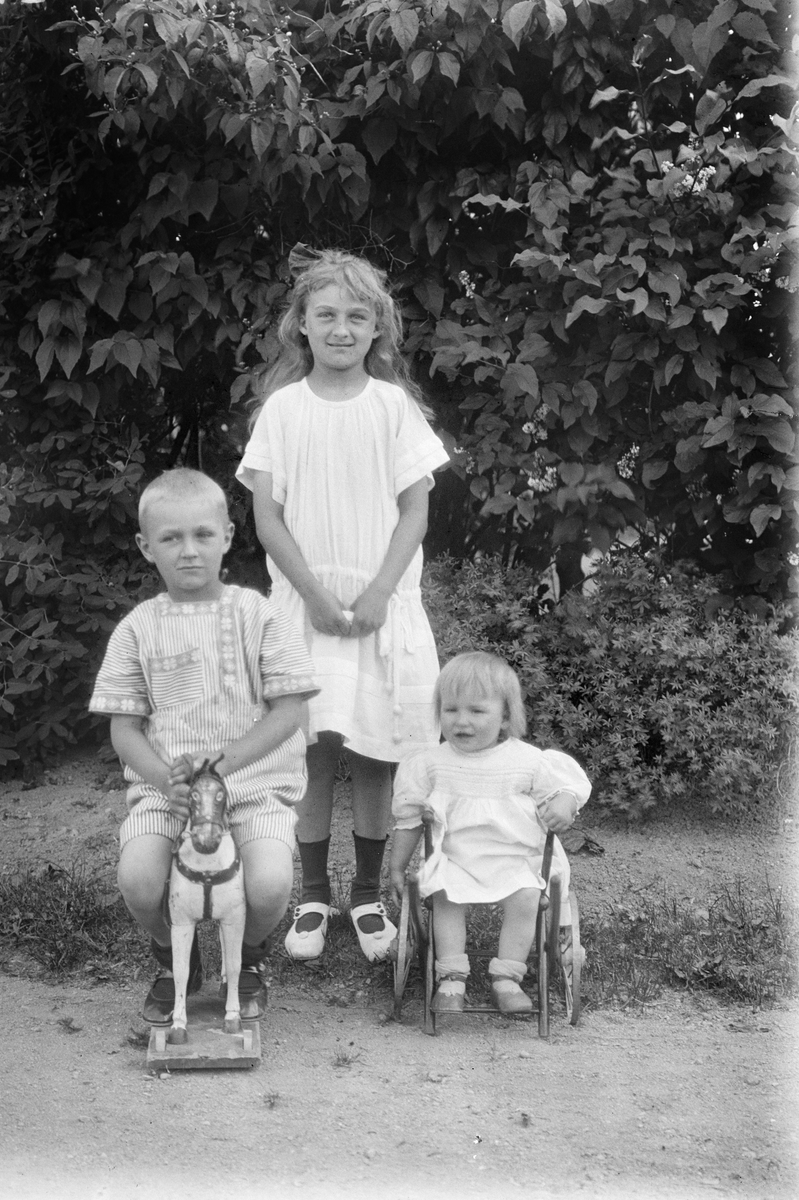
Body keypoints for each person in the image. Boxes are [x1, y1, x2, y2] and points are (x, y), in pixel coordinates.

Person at [236, 246, 450, 963]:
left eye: (356, 317)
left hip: (380, 604)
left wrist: (379, 591)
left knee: (372, 748)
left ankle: (364, 892)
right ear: (299, 325)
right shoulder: (283, 411)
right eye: (324, 315)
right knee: (313, 751)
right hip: (307, 604)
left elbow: (414, 511)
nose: (339, 328)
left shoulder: (394, 408)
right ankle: (311, 895)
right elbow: (268, 520)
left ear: (377, 329)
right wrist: (317, 597)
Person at [89, 468, 318, 1023]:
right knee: (140, 879)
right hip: (168, 792)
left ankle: (250, 958)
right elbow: (125, 729)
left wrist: (225, 761)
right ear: (147, 547)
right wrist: (166, 778)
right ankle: (174, 958)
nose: (188, 552)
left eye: (202, 535)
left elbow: (291, 709)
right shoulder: (137, 627)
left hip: (251, 786)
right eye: (170, 538)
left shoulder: (261, 615)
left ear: (228, 536)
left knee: (268, 884)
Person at [389, 652, 591, 1014]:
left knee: (528, 897)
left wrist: (565, 802)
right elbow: (407, 818)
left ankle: (507, 977)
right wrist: (396, 866)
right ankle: (451, 977)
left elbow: (566, 787)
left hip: (515, 861)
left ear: (505, 717)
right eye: (450, 710)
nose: (461, 721)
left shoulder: (527, 761)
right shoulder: (432, 764)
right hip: (455, 860)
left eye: (476, 711)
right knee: (444, 894)